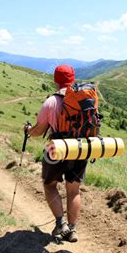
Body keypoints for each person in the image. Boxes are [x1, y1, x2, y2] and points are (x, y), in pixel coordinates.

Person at [24, 64, 86, 242]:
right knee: (74, 190)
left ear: (55, 80)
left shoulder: (51, 101)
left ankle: (61, 224)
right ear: (73, 78)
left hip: (56, 148)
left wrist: (28, 130)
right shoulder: (84, 99)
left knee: (50, 185)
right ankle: (72, 230)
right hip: (80, 148)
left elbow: (38, 131)